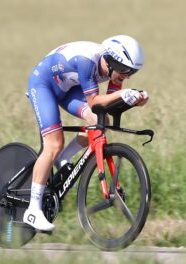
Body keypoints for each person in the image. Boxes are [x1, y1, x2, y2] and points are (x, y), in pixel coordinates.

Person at [23, 35, 149, 231]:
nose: (127, 76)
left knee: (101, 120)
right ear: (113, 61)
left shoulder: (114, 70)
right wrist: (123, 94)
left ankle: (64, 158)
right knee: (54, 143)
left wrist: (133, 99)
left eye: (132, 72)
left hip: (68, 87)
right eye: (125, 71)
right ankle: (32, 210)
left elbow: (107, 104)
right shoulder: (87, 61)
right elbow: (93, 102)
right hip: (43, 85)